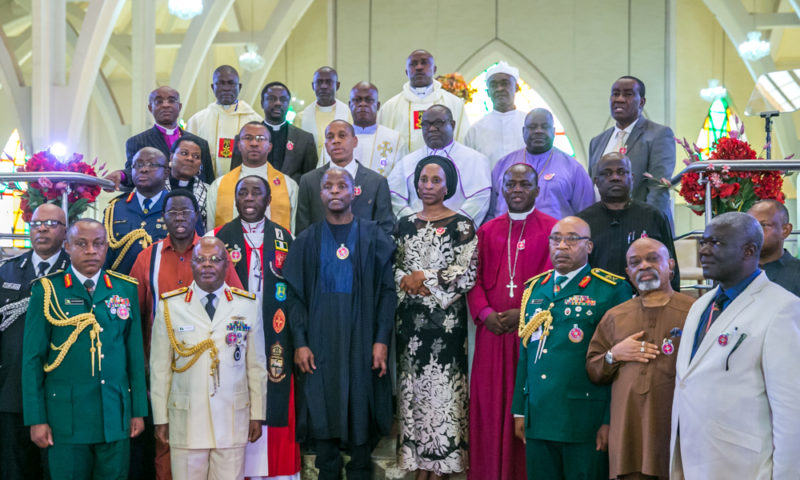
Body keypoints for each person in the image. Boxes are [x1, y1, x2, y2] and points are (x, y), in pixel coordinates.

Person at [283, 168, 396, 480]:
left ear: (354, 192)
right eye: (327, 186)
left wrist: (381, 340)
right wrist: (301, 341)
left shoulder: (374, 236)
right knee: (321, 402)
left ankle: (360, 468)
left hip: (362, 337)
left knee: (362, 400)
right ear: (320, 194)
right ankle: (328, 469)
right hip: (319, 341)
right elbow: (294, 296)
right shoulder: (305, 241)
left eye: (341, 185)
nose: (334, 191)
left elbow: (387, 293)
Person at [669, 212, 800, 479]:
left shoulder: (782, 309)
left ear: (749, 250)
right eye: (703, 242)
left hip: (744, 466)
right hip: (695, 459)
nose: (703, 251)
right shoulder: (699, 306)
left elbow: (792, 414)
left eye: (715, 243)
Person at [22, 218, 147, 479]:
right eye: (82, 244)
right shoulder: (47, 290)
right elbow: (32, 360)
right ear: (67, 246)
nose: (91, 250)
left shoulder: (124, 289)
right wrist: (36, 418)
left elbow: (134, 356)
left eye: (98, 244)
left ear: (106, 248)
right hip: (66, 418)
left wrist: (138, 411)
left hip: (115, 414)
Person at [512, 216, 632, 480]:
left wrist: (610, 419)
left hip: (584, 417)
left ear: (589, 246)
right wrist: (520, 409)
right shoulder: (535, 289)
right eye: (556, 239)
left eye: (572, 239)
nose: (562, 246)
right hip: (540, 414)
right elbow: (526, 353)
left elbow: (620, 362)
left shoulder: (611, 289)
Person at [466, 164, 557, 480]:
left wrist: (522, 312)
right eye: (511, 184)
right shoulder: (487, 231)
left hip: (532, 335)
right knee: (490, 407)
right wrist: (484, 314)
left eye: (524, 184)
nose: (517, 189)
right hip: (492, 336)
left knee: (526, 406)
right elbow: (472, 280)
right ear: (501, 189)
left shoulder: (551, 229)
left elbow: (551, 279)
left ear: (536, 189)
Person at [150, 237, 266, 480]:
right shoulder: (171, 305)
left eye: (215, 259)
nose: (207, 265)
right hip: (187, 420)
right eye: (200, 259)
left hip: (231, 419)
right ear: (192, 265)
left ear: (227, 265)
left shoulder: (247, 305)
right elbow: (160, 369)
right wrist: (160, 418)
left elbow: (255, 366)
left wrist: (258, 414)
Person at [394, 156, 478, 477]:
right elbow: (394, 266)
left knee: (442, 394)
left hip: (445, 327)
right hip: (409, 326)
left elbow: (466, 271)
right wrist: (407, 280)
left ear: (448, 185)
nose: (428, 186)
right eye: (423, 179)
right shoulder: (403, 223)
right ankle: (417, 465)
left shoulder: (462, 225)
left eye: (435, 180)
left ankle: (442, 466)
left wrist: (424, 278)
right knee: (412, 391)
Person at [213, 175, 300, 479]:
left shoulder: (286, 239)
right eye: (242, 193)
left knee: (276, 392)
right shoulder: (219, 238)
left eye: (256, 192)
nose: (249, 198)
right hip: (234, 335)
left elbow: (297, 295)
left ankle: (278, 471)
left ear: (268, 200)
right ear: (235, 199)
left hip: (278, 333)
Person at [586, 238, 694, 480]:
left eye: (653, 258)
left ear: (670, 265)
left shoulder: (695, 311)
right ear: (628, 272)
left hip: (677, 430)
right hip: (628, 433)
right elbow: (594, 369)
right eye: (635, 263)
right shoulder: (615, 316)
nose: (644, 266)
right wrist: (614, 355)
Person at [0, 204, 69, 480]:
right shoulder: (8, 271)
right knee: (14, 469)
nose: (42, 228)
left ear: (65, 232)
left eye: (51, 224)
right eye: (37, 223)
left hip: (60, 393)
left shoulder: (75, 272)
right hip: (12, 390)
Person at [576, 152, 680, 291]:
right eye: (607, 173)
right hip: (596, 300)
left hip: (646, 297)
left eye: (621, 172)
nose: (615, 178)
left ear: (632, 178)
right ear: (596, 181)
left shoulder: (653, 216)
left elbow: (671, 267)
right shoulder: (583, 222)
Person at [588, 76, 676, 225]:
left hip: (642, 222)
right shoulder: (597, 141)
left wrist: (649, 224)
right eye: (615, 94)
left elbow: (658, 189)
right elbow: (593, 186)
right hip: (604, 224)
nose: (619, 99)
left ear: (642, 102)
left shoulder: (659, 135)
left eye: (628, 94)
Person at [388, 105, 491, 225]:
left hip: (457, 232)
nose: (431, 129)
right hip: (417, 232)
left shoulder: (475, 159)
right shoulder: (406, 162)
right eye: (426, 124)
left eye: (438, 123)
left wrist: (453, 225)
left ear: (452, 125)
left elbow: (480, 197)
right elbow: (395, 197)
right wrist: (414, 223)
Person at [492, 108, 593, 220]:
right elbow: (491, 212)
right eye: (532, 127)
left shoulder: (573, 168)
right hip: (507, 234)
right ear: (523, 131)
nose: (538, 131)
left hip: (555, 236)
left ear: (553, 132)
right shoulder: (503, 165)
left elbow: (587, 214)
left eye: (545, 127)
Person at [296, 119, 394, 235]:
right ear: (326, 144)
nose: (335, 141)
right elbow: (302, 231)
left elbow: (385, 230)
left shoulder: (376, 182)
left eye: (342, 136)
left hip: (365, 251)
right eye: (330, 137)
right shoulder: (309, 181)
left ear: (355, 141)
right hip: (320, 251)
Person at [109, 86, 215, 188]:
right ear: (150, 108)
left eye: (171, 101)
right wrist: (121, 175)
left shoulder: (200, 143)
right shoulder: (137, 142)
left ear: (179, 107)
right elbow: (133, 172)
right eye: (159, 101)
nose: (165, 105)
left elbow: (209, 179)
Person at [207, 122, 298, 232]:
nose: (254, 143)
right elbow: (211, 231)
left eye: (260, 138)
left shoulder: (289, 185)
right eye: (248, 138)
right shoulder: (218, 185)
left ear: (270, 147)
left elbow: (293, 232)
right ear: (239, 145)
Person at [378, 49, 470, 152]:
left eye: (424, 63)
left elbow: (463, 140)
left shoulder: (454, 103)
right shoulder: (390, 107)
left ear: (434, 69)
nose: (419, 67)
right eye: (413, 64)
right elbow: (383, 145)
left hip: (445, 167)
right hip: (404, 167)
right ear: (406, 72)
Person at [103, 147, 171, 274]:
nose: (143, 169)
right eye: (138, 165)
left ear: (166, 172)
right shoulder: (115, 209)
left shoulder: (177, 208)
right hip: (121, 288)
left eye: (152, 164)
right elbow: (104, 256)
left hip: (163, 288)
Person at [187, 65, 263, 178]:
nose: (226, 88)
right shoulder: (197, 120)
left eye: (231, 83)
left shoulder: (255, 121)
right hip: (206, 185)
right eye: (221, 83)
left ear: (239, 87)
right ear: (213, 87)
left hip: (245, 187)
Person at [333, 81, 406, 176]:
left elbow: (400, 178)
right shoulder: (335, 139)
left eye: (368, 100)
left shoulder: (395, 140)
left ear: (378, 105)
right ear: (350, 105)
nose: (362, 104)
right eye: (357, 100)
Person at [464, 61, 527, 168]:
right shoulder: (475, 131)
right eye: (493, 85)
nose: (499, 89)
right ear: (488, 92)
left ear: (516, 88)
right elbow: (471, 168)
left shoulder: (529, 124)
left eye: (505, 83)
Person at [255, 81, 318, 183]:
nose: (278, 103)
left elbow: (310, 181)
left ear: (288, 104)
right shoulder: (247, 137)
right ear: (262, 103)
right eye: (272, 99)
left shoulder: (305, 139)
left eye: (283, 99)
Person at [295, 67, 353, 160]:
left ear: (337, 85)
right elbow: (297, 152)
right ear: (313, 86)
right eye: (319, 82)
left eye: (329, 82)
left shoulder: (349, 114)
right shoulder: (301, 117)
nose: (324, 86)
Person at [747, 199, 800, 296]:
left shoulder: (797, 274)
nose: (753, 231)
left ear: (785, 230)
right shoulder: (734, 274)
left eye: (763, 225)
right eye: (749, 226)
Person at [165, 136, 210, 231]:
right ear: (172, 157)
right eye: (184, 153)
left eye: (196, 156)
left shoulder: (210, 192)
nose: (190, 158)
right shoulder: (155, 187)